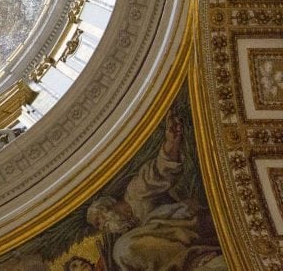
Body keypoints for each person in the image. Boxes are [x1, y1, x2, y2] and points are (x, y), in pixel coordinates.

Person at [86, 113, 225, 270]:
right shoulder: (129, 227)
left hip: (185, 223)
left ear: (106, 207)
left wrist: (172, 142)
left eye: (100, 221)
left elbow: (160, 171)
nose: (104, 227)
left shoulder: (135, 192)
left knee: (122, 249)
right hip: (171, 240)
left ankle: (190, 258)